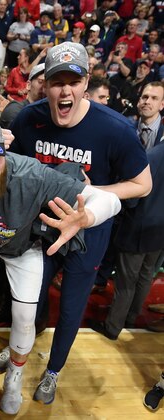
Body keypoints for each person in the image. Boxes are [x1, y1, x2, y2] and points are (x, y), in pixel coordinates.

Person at [0, 116, 121, 415]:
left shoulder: (30, 174)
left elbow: (108, 200)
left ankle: (14, 375)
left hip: (21, 248)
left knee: (26, 315)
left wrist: (87, 217)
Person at [8, 41, 152, 406]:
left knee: (71, 307)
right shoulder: (29, 119)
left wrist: (93, 191)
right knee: (29, 300)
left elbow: (143, 184)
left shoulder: (115, 129)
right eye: (57, 81)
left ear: (86, 82)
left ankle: (53, 371)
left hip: (89, 233)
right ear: (45, 84)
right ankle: (19, 352)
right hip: (42, 230)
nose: (65, 90)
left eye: (74, 81)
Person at [88, 141, 164, 340]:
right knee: (146, 275)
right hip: (159, 229)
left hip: (139, 227)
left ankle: (113, 326)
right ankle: (131, 316)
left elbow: (133, 197)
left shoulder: (151, 155)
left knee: (126, 282)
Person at [0, 63, 45, 128]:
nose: (45, 87)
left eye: (51, 83)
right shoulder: (15, 109)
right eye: (41, 82)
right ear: (28, 85)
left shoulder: (54, 116)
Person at [135, 82, 164, 149]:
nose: (147, 101)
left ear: (162, 105)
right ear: (139, 102)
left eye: (154, 98)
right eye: (145, 97)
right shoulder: (126, 129)